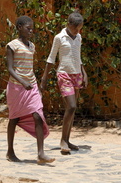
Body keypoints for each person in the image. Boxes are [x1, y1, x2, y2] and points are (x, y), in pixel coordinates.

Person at [6, 15, 55, 164]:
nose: (31, 31)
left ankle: (41, 153)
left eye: (32, 28)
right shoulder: (12, 45)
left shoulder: (32, 46)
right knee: (14, 119)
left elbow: (30, 68)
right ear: (19, 27)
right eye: (28, 28)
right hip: (16, 88)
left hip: (31, 86)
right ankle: (10, 151)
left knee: (38, 115)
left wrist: (36, 85)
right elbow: (9, 68)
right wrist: (21, 81)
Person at [40, 11, 88, 154]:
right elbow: (51, 58)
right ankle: (62, 140)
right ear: (69, 24)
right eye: (75, 28)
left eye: (79, 28)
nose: (77, 31)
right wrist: (44, 78)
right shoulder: (59, 38)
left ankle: (67, 140)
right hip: (64, 75)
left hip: (77, 74)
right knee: (71, 106)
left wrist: (84, 74)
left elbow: (78, 58)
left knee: (72, 109)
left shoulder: (78, 37)